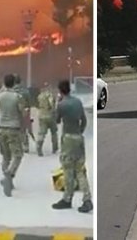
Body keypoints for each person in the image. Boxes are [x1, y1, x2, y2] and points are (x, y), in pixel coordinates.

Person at [52, 79, 93, 213]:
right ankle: (87, 199)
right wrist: (79, 132)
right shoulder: (78, 102)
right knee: (80, 170)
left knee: (68, 170)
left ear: (60, 91)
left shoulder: (62, 104)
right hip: (78, 138)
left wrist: (57, 104)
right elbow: (84, 120)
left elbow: (56, 121)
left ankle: (67, 199)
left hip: (68, 139)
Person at [0, 74, 26, 197]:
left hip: (1, 128)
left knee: (5, 156)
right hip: (14, 128)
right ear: (14, 83)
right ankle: (9, 174)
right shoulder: (17, 97)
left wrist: (3, 87)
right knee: (17, 155)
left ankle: (8, 180)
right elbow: (22, 112)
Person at [36, 82, 58, 156]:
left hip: (42, 115)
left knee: (41, 133)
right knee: (54, 132)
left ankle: (39, 145)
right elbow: (51, 104)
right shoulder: (50, 95)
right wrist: (53, 110)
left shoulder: (39, 96)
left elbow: (38, 105)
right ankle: (55, 148)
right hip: (50, 116)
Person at [12, 74, 32, 153]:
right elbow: (29, 103)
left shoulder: (11, 91)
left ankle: (15, 146)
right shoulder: (25, 91)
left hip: (13, 113)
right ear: (20, 81)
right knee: (23, 130)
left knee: (14, 130)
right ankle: (25, 146)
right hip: (24, 112)